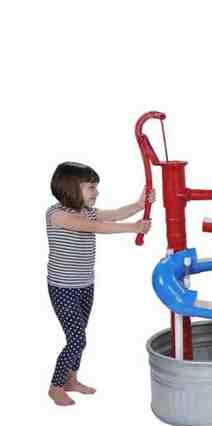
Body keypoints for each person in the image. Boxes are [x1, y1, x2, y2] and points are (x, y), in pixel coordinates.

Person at [46, 161, 154, 406]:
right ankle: (55, 386)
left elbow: (115, 214)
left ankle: (71, 380)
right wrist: (134, 227)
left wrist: (140, 204)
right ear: (71, 188)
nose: (97, 192)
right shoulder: (57, 215)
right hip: (63, 287)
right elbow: (95, 227)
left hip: (85, 284)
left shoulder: (87, 211)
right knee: (77, 339)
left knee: (80, 336)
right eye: (91, 187)